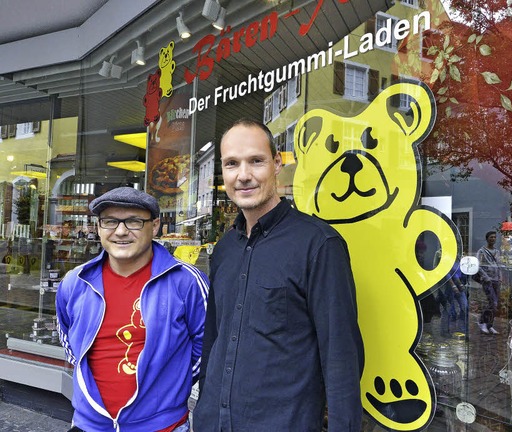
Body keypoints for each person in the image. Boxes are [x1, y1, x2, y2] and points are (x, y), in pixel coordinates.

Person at [193, 119, 363, 431]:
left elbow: (341, 358)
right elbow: (213, 340)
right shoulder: (225, 249)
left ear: (276, 164)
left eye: (256, 161)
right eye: (232, 164)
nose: (243, 175)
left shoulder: (319, 244)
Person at [55, 187, 209, 432]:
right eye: (110, 221)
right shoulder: (76, 282)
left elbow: (206, 348)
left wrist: (169, 387)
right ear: (98, 227)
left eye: (134, 221)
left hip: (162, 427)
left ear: (155, 226)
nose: (120, 231)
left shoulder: (186, 281)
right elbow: (68, 339)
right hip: (89, 425)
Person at [476, 231, 501, 335]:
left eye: (494, 237)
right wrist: (485, 277)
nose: (493, 239)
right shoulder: (482, 251)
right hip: (488, 280)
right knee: (493, 303)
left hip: (496, 280)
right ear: (487, 238)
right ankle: (482, 322)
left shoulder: (497, 251)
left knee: (495, 304)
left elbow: (499, 265)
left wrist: (500, 277)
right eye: (491, 237)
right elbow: (478, 265)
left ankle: (490, 325)